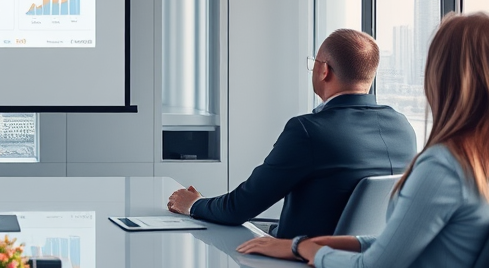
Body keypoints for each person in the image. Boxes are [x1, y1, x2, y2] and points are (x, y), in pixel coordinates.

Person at [237, 13, 489, 268]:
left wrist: (303, 250)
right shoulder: (473, 163)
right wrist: (319, 243)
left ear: (440, 77)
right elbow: (410, 244)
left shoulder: (443, 166)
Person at [168, 28, 416, 238]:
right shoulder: (403, 128)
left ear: (324, 70)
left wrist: (193, 204)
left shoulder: (309, 131)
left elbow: (239, 208)